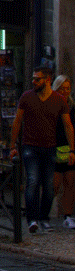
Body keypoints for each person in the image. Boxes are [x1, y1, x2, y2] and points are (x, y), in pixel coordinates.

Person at [10, 65, 75, 233]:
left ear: (47, 80)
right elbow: (17, 121)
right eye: (33, 78)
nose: (33, 81)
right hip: (30, 146)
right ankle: (32, 219)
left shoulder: (59, 100)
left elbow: (68, 125)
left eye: (37, 79)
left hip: (50, 147)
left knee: (49, 186)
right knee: (32, 181)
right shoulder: (27, 97)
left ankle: (44, 218)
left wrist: (72, 150)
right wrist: (12, 146)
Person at [52, 75, 75, 228]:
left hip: (69, 149)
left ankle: (67, 216)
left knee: (69, 182)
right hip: (54, 148)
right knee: (54, 184)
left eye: (67, 88)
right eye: (62, 88)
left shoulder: (72, 107)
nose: (65, 91)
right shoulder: (51, 106)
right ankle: (43, 214)